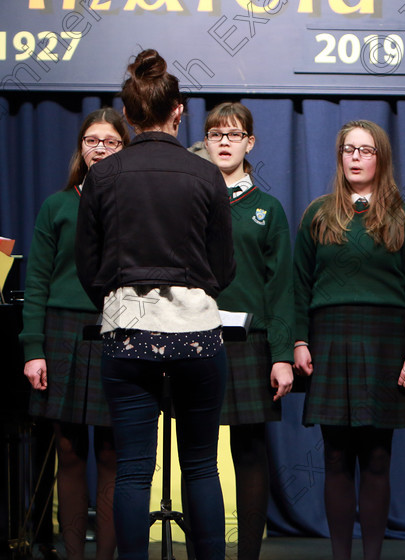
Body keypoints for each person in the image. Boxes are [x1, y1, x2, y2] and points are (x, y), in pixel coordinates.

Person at [75, 49, 235, 560]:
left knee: (133, 468)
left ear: (127, 115)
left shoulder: (101, 177)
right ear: (179, 111)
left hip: (126, 331)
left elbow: (87, 265)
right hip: (196, 331)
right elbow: (224, 267)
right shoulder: (208, 175)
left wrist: (121, 297)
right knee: (202, 465)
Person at [293, 120, 405, 560]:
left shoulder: (403, 217)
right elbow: (296, 289)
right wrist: (298, 341)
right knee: (335, 456)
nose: (355, 157)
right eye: (348, 150)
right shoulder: (317, 215)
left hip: (385, 344)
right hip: (330, 342)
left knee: (375, 457)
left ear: (381, 159)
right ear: (339, 157)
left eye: (365, 150)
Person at [20, 107, 128, 560]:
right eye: (92, 141)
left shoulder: (132, 205)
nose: (100, 149)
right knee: (68, 451)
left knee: (110, 453)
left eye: (111, 142)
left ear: (124, 148)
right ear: (80, 147)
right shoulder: (57, 206)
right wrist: (33, 349)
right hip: (62, 333)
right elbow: (38, 281)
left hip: (116, 330)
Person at [202, 101, 294, 560]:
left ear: (249, 143)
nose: (224, 142)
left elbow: (280, 290)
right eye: (216, 134)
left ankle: (248, 555)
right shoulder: (191, 201)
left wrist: (281, 355)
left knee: (251, 452)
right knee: (198, 455)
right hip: (193, 340)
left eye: (233, 134)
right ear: (204, 141)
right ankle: (208, 549)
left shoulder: (267, 209)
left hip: (250, 345)